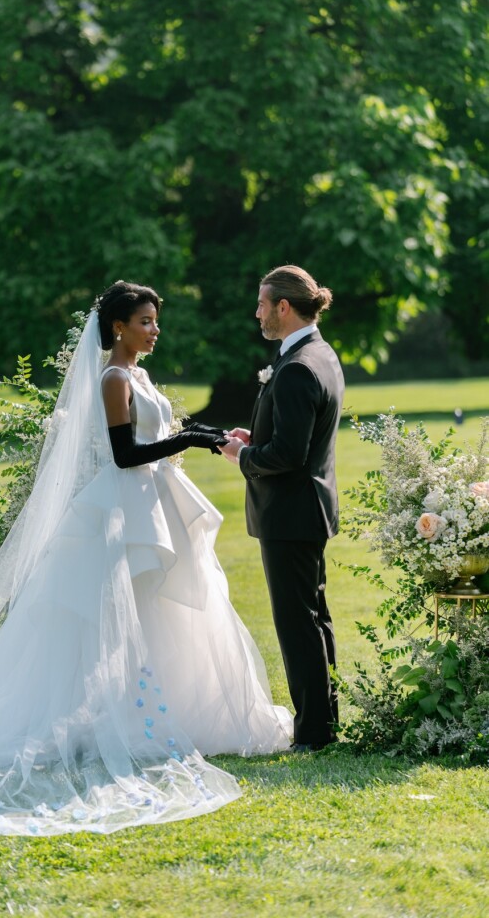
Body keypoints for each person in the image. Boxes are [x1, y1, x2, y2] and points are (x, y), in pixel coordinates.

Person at [0, 281, 291, 837]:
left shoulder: (137, 375)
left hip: (147, 510)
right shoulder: (112, 378)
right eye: (146, 322)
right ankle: (116, 718)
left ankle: (151, 713)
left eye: (156, 321)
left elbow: (156, 431)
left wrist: (203, 435)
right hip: (117, 515)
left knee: (158, 615)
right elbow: (125, 453)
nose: (155, 330)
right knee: (115, 622)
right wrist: (187, 444)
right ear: (118, 328)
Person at [221, 266, 345, 751]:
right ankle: (324, 720)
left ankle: (313, 732)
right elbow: (298, 438)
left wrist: (243, 455)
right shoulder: (320, 354)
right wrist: (260, 437)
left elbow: (289, 457)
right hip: (308, 509)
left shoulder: (295, 367)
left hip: (291, 513)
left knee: (297, 625)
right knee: (314, 618)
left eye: (261, 304)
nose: (257, 313)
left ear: (284, 307)